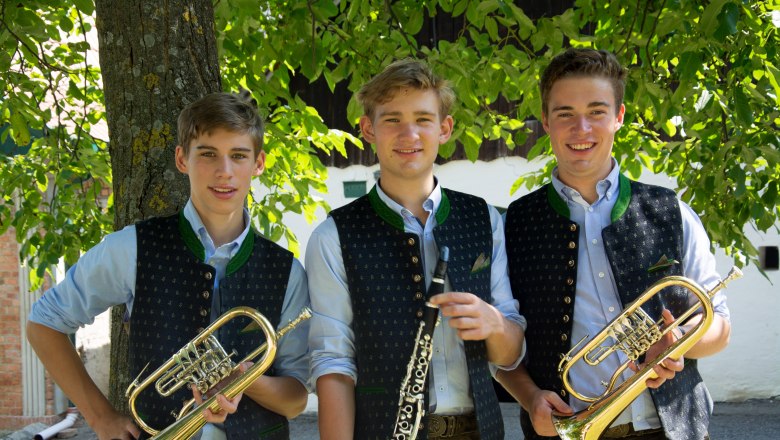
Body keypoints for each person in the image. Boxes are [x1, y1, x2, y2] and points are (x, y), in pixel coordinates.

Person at [27, 91, 310, 440]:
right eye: (208, 154)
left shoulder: (287, 271)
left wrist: (246, 381)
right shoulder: (132, 248)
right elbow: (44, 322)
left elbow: (296, 399)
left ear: (258, 164)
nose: (224, 171)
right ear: (181, 159)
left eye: (238, 156)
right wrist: (100, 418)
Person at [497, 48, 731, 440]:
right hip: (568, 428)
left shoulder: (670, 210)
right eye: (565, 113)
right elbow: (502, 351)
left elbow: (719, 324)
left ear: (619, 117)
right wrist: (530, 397)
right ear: (546, 121)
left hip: (674, 427)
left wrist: (677, 346)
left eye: (597, 111)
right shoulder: (512, 225)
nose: (581, 128)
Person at [306, 58, 526, 440]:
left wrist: (494, 323)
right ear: (368, 129)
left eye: (423, 119)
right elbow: (334, 364)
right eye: (392, 120)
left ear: (444, 129)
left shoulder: (483, 217)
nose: (409, 133)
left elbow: (509, 354)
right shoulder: (333, 236)